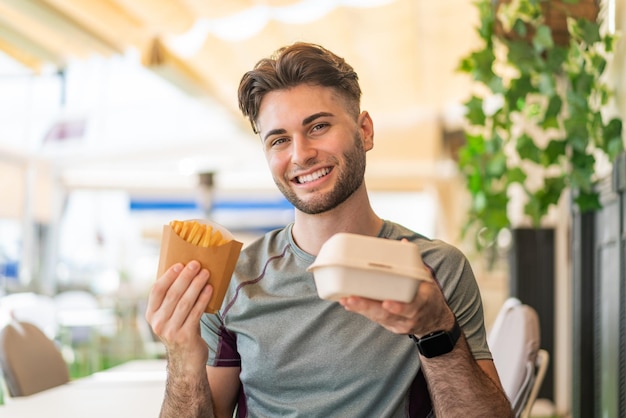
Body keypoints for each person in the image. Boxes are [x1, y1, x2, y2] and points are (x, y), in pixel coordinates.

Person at [146, 42, 513, 418]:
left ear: (364, 131)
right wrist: (182, 358)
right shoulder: (232, 279)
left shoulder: (434, 269)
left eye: (318, 126)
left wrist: (436, 328)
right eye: (279, 140)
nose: (301, 154)